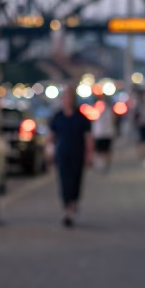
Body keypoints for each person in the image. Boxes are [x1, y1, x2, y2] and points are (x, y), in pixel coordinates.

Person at [48, 84, 94, 226]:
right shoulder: (58, 117)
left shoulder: (81, 117)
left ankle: (73, 203)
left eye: (70, 97)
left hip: (78, 154)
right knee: (64, 182)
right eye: (65, 97)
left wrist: (89, 155)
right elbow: (51, 136)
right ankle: (67, 210)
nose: (67, 100)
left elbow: (88, 137)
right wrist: (49, 152)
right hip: (63, 154)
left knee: (75, 181)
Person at [92, 96, 116, 171]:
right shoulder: (95, 110)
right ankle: (100, 164)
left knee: (106, 150)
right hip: (99, 133)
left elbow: (113, 120)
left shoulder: (109, 110)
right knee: (99, 150)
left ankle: (106, 164)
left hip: (107, 133)